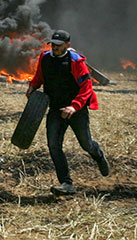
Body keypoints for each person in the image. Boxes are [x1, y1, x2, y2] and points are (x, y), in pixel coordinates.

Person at [26, 29, 110, 195]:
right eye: (53, 44)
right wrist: (32, 86)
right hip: (56, 109)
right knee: (53, 145)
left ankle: (98, 155)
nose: (55, 48)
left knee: (86, 144)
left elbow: (87, 88)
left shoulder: (76, 61)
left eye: (59, 45)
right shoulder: (44, 58)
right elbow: (39, 76)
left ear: (67, 45)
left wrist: (74, 106)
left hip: (76, 110)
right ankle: (66, 183)